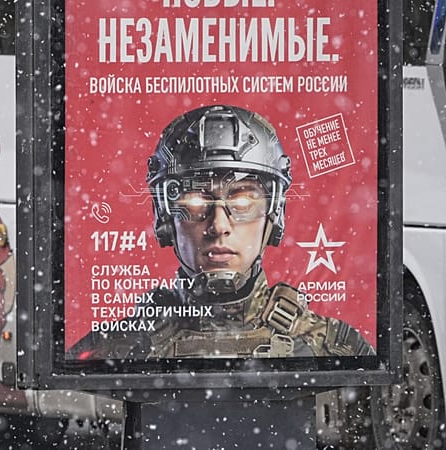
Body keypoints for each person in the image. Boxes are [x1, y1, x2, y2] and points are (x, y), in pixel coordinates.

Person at [68, 104, 374, 359]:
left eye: (243, 201)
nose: (219, 226)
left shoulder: (331, 347)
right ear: (165, 216)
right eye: (195, 201)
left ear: (274, 211)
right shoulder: (115, 350)